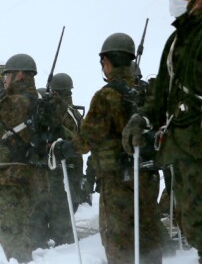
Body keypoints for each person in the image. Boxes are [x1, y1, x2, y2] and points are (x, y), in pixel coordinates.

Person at [52, 33, 162, 263]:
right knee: (148, 236)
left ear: (107, 62)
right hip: (148, 177)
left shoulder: (106, 96)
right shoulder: (148, 92)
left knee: (118, 241)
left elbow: (86, 139)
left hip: (118, 182)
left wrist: (64, 148)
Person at [123, 0, 202, 262]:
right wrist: (142, 117)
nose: (174, 1)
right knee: (191, 222)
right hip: (184, 151)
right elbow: (162, 93)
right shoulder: (175, 41)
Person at [0, 54, 54, 263]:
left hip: (13, 176)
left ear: (19, 75)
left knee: (11, 234)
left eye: (7, 75)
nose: (4, 80)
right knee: (27, 232)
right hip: (38, 176)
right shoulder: (41, 102)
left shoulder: (12, 102)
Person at [46, 73, 84, 246]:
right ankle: (63, 235)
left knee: (62, 204)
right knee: (69, 202)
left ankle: (63, 240)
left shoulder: (60, 112)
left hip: (63, 166)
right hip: (74, 164)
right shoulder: (75, 112)